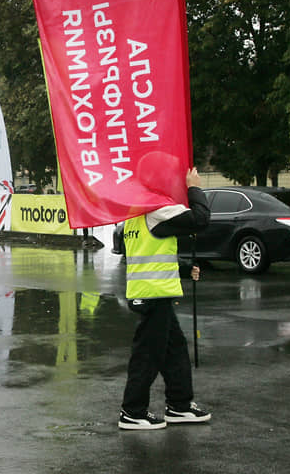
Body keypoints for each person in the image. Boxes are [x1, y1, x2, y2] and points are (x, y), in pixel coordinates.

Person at [118, 167, 211, 430]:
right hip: (153, 294)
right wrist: (194, 189)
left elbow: (149, 252)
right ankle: (132, 412)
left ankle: (179, 406)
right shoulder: (156, 209)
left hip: (150, 292)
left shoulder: (134, 214)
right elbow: (201, 219)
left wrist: (182, 269)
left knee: (175, 352)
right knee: (147, 356)